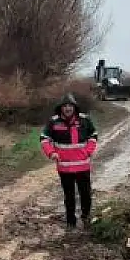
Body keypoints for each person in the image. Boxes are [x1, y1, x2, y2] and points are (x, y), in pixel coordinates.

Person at [40, 93, 98, 229]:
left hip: (83, 166)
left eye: (70, 106)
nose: (67, 108)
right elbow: (44, 138)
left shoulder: (85, 120)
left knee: (85, 194)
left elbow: (93, 135)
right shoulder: (53, 122)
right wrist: (51, 152)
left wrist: (88, 151)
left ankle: (86, 217)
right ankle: (70, 221)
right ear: (61, 108)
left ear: (74, 107)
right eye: (65, 106)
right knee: (69, 196)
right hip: (64, 168)